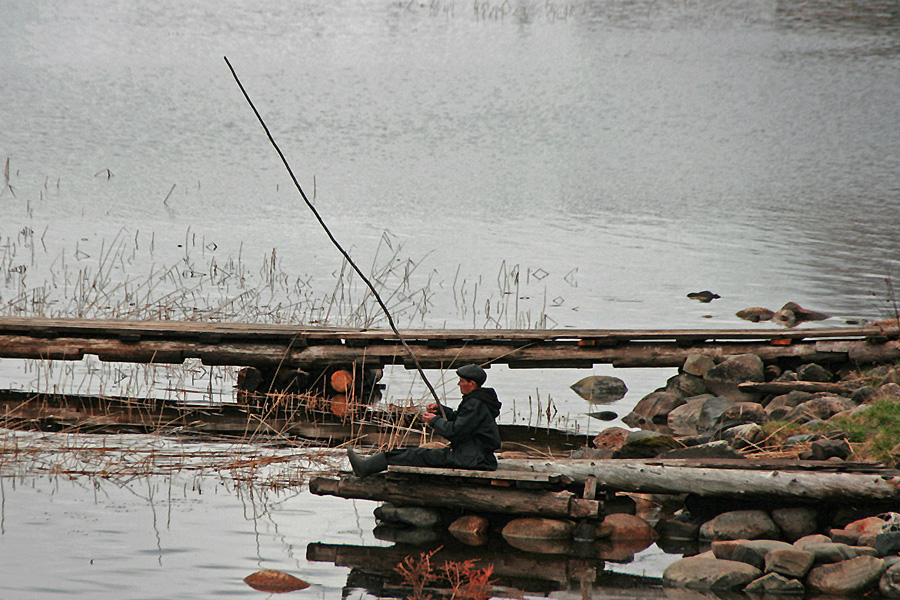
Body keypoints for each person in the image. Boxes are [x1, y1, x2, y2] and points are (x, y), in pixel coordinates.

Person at [346, 364, 502, 477]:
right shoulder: (479, 401)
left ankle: (365, 468)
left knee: (415, 454)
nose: (458, 384)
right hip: (474, 456)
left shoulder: (475, 403)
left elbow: (455, 432)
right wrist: (442, 410)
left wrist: (434, 421)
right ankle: (367, 465)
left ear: (471, 384)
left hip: (469, 459)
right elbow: (464, 422)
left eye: (461, 381)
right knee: (412, 453)